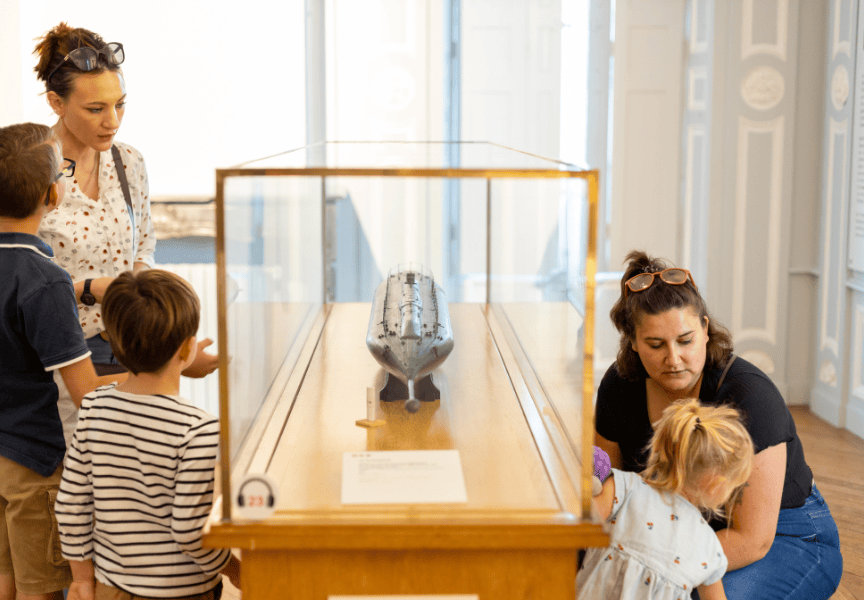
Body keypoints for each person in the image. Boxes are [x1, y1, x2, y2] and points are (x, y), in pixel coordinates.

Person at [594, 250, 843, 600]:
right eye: (655, 344)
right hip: (672, 530)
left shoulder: (750, 394)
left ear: (705, 330)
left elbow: (753, 539)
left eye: (685, 340)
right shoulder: (618, 386)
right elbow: (609, 487)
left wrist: (653, 565)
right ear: (632, 341)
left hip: (786, 535)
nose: (674, 359)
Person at [32, 23, 218, 442]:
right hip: (61, 353)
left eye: (120, 105)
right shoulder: (31, 169)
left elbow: (143, 242)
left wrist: (149, 307)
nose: (111, 121)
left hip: (128, 341)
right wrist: (90, 287)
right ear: (56, 102)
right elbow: (16, 282)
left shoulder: (127, 161)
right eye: (95, 109)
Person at [55, 269, 240, 600]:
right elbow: (189, 532)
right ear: (187, 350)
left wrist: (81, 578)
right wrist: (235, 569)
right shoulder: (200, 430)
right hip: (181, 592)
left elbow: (71, 502)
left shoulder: (95, 408)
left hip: (111, 587)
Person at [0, 123, 127, 600]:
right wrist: (154, 375)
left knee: (6, 580)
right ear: (54, 195)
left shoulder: (36, 278)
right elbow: (86, 394)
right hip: (37, 461)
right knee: (43, 588)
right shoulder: (45, 278)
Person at [580, 398, 754, 600]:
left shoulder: (625, 489)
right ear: (716, 485)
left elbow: (579, 526)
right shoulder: (709, 547)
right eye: (734, 487)